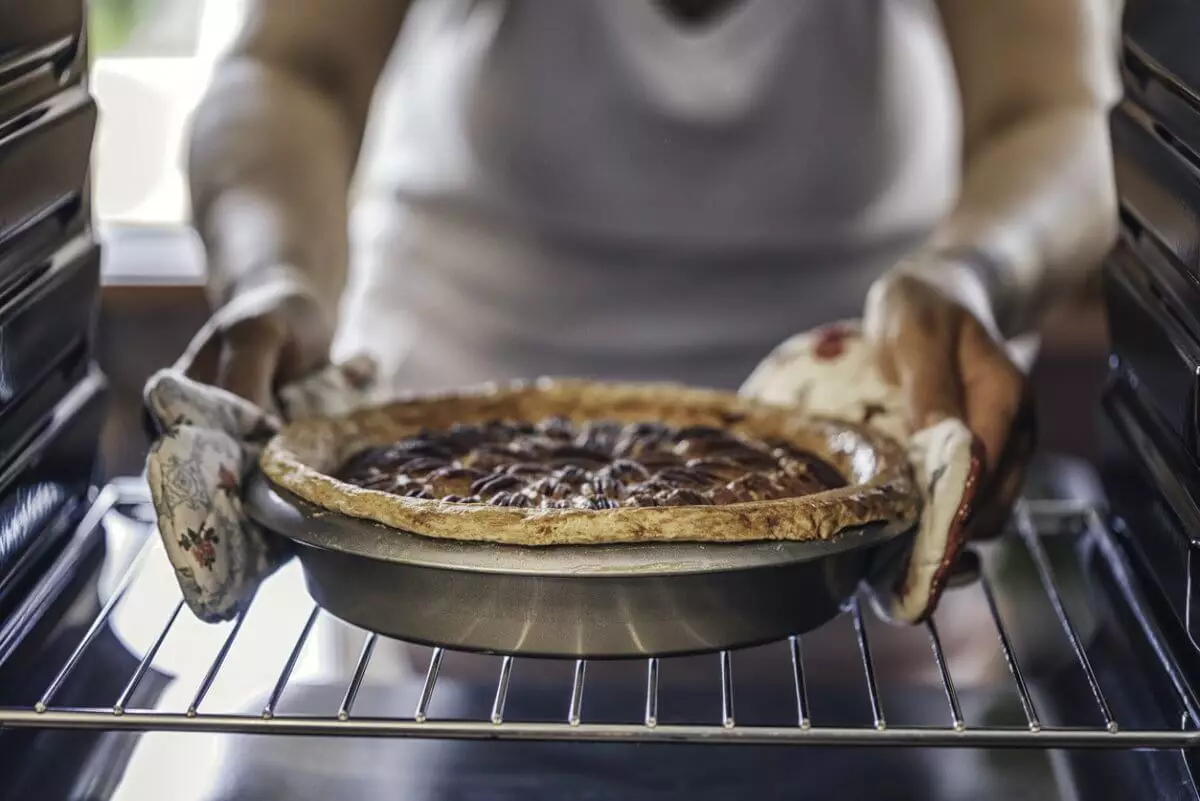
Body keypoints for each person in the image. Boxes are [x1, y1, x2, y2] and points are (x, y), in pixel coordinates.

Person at [187, 0, 1121, 552]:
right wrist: (277, 275)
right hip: (435, 462)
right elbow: (289, 70)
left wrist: (972, 274)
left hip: (861, 466)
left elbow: (1051, 116)